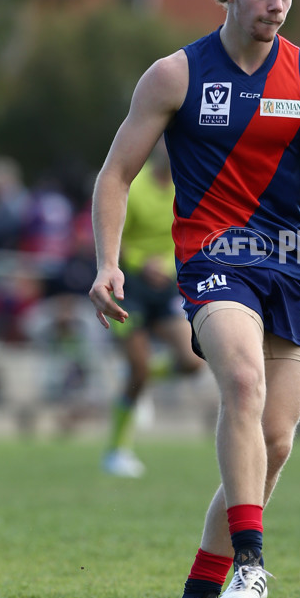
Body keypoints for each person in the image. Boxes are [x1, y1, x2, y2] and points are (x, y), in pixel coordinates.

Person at [89, 0, 300, 598]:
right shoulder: (175, 74)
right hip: (211, 260)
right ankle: (253, 561)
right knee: (242, 382)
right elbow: (115, 174)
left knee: (274, 442)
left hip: (285, 268)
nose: (276, 4)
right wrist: (107, 260)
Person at [101, 139, 205, 478]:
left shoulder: (189, 188)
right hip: (128, 285)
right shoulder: (136, 186)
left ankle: (140, 374)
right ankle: (117, 451)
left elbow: (194, 239)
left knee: (192, 361)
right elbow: (116, 236)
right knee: (139, 368)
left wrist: (167, 266)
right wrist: (141, 262)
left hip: (166, 286)